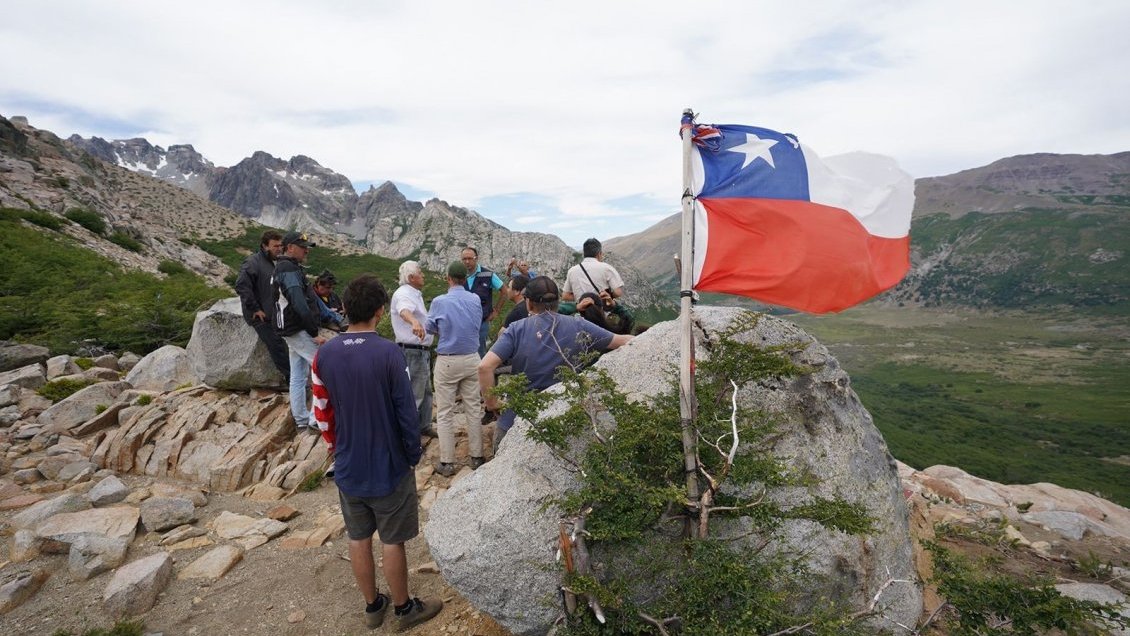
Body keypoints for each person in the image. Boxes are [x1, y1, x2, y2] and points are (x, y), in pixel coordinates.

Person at [311, 274, 443, 632]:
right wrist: (412, 453)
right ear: (381, 311)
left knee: (358, 537)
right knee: (392, 539)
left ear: (345, 309)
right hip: (389, 465)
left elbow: (322, 412)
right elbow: (406, 411)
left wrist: (337, 451)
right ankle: (403, 610)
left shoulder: (324, 355)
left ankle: (372, 607)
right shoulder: (388, 352)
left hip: (349, 464)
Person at [479, 276, 634, 451]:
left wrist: (492, 403)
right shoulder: (579, 325)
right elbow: (623, 340)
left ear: (528, 303)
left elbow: (485, 367)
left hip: (516, 419)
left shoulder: (516, 329)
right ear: (557, 302)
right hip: (561, 419)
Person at [425, 261, 485, 476]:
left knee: (445, 411)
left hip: (448, 360)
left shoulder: (440, 301)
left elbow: (430, 328)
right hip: (472, 358)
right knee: (473, 408)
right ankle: (477, 457)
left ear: (448, 278)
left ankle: (448, 462)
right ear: (465, 279)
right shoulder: (475, 298)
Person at [273, 231, 324, 432]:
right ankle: (314, 420)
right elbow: (299, 302)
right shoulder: (288, 269)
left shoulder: (285, 267)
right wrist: (313, 333)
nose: (306, 251)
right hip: (297, 328)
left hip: (288, 327)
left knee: (297, 375)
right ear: (290, 248)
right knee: (322, 367)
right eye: (302, 248)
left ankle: (301, 420)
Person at [234, 230, 289, 380]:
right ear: (265, 246)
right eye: (275, 246)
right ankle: (291, 379)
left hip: (272, 313)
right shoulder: (253, 262)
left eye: (280, 245)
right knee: (277, 345)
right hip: (259, 316)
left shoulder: (273, 262)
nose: (279, 248)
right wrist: (255, 308)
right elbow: (241, 286)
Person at [390, 260, 435, 438]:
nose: (423, 275)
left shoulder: (414, 293)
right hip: (412, 350)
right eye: (420, 272)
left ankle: (424, 425)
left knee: (425, 390)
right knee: (414, 395)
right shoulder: (404, 294)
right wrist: (414, 322)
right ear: (411, 277)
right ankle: (408, 437)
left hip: (419, 351)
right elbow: (404, 310)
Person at [562, 237, 633, 333]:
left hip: (582, 316)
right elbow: (618, 292)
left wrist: (583, 298)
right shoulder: (606, 268)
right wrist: (608, 297)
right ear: (599, 253)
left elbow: (565, 296)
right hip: (603, 315)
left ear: (584, 254)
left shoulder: (572, 271)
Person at [460, 246, 505, 357]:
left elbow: (505, 291)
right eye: (464, 259)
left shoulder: (488, 275)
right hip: (462, 323)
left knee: (479, 353)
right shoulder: (459, 276)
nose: (467, 261)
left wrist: (496, 311)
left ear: (476, 258)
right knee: (463, 353)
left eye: (470, 258)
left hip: (482, 323)